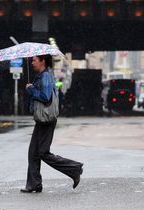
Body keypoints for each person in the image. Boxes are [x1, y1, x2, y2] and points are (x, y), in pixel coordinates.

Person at [22, 54, 83, 193]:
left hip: (46, 119)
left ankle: (74, 169)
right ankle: (34, 184)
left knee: (42, 152)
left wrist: (31, 89)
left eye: (34, 60)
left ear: (43, 61)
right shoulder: (41, 76)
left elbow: (45, 96)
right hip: (41, 119)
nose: (32, 63)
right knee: (33, 153)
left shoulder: (45, 77)